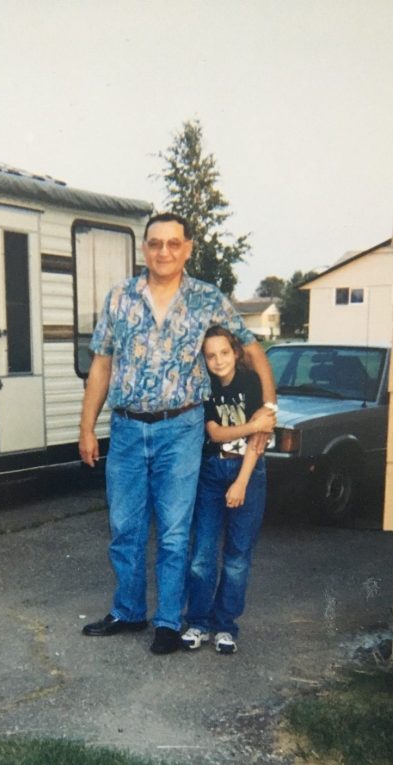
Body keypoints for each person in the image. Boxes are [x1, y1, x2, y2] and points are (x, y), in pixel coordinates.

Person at [78, 212, 276, 655]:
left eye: (172, 243)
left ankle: (168, 621)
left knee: (173, 532)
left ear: (187, 248)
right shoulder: (120, 298)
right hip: (127, 430)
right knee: (124, 527)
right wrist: (86, 426)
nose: (163, 251)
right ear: (143, 249)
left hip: (183, 429)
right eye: (154, 244)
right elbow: (102, 366)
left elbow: (252, 349)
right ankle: (128, 611)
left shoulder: (208, 299)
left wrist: (270, 406)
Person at [181, 326, 273, 655]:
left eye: (223, 352)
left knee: (236, 557)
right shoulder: (204, 389)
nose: (218, 361)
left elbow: (258, 441)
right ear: (204, 360)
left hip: (246, 471)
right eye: (210, 355)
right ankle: (198, 622)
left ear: (235, 352)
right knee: (201, 556)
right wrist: (253, 425)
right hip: (211, 473)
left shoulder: (250, 383)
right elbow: (216, 433)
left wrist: (242, 482)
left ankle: (225, 626)